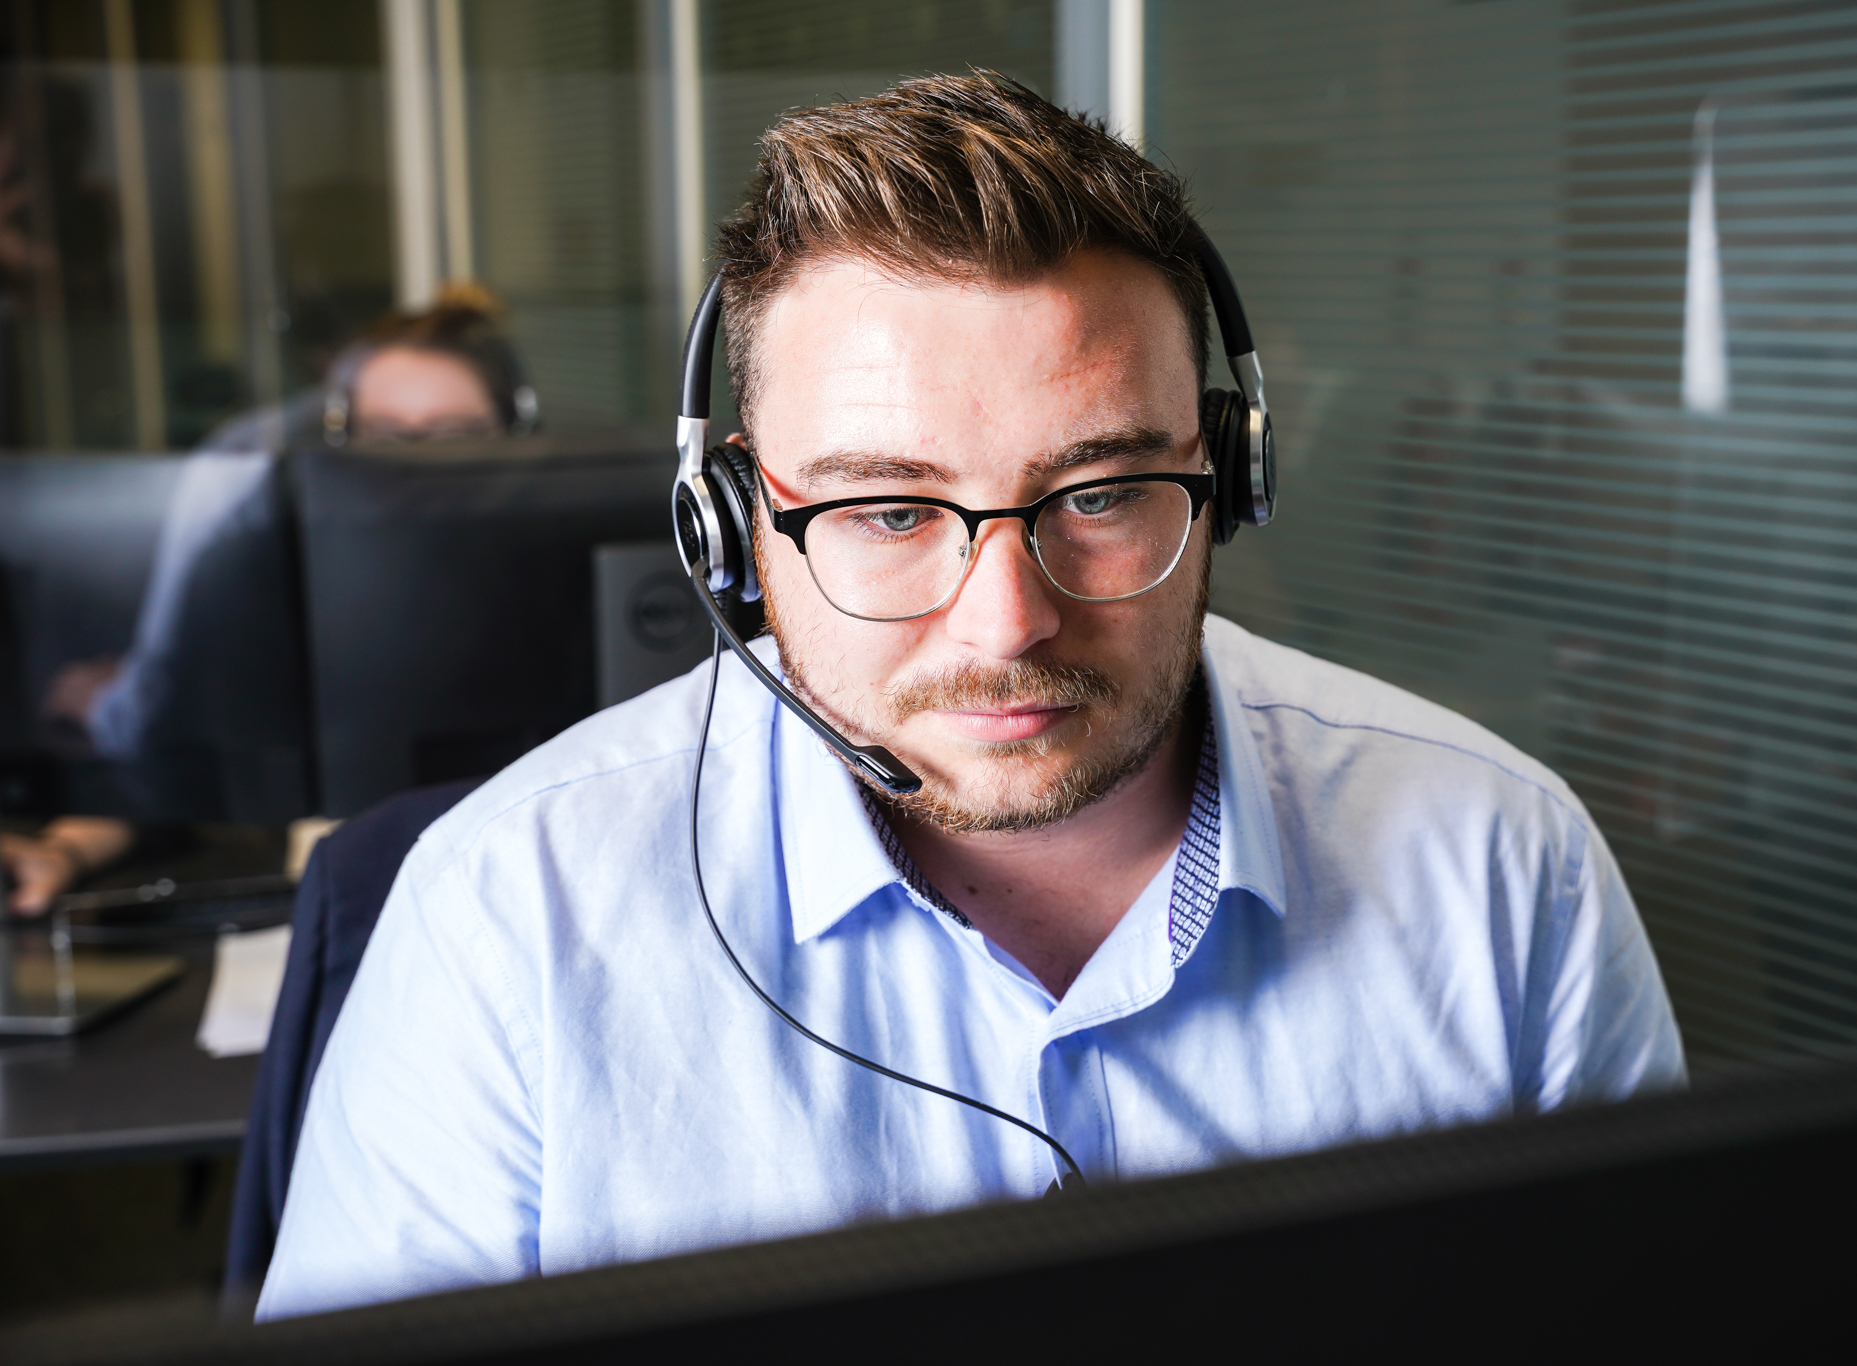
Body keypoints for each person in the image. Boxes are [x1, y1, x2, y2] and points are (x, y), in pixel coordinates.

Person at [257, 74, 1684, 1319]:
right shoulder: (507, 918)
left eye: (1106, 492)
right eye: (890, 509)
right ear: (735, 524)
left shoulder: (1505, 865)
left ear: (1231, 475)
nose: (1010, 621)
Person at [2, 285, 535, 916]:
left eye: (453, 437)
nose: (412, 467)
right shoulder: (266, 584)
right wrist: (66, 850)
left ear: (516, 437)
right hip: (340, 917)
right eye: (385, 436)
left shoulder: (571, 599)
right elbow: (185, 766)